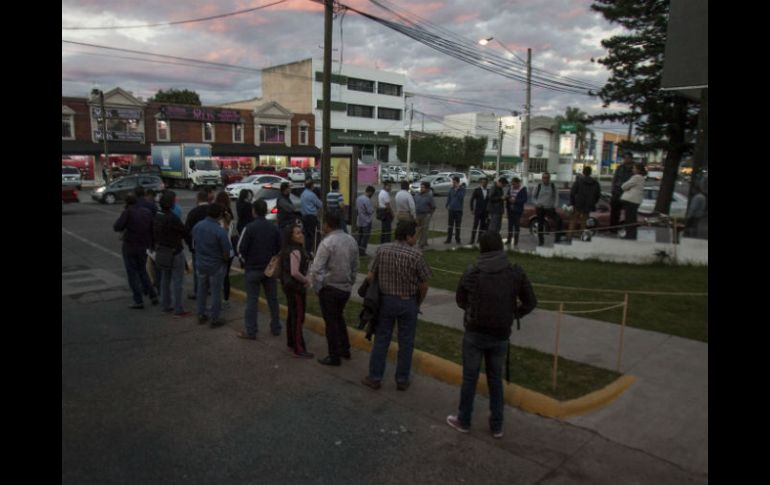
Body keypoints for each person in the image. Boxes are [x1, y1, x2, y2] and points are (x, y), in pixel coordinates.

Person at [446, 232, 537, 438]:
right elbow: (531, 301)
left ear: (482, 248)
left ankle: (464, 420)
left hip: (475, 332)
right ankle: (497, 425)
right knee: (495, 379)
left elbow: (460, 299)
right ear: (500, 248)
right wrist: (513, 314)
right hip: (500, 334)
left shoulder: (473, 272)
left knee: (470, 378)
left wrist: (474, 308)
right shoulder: (515, 272)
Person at [362, 220, 432, 391]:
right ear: (408, 236)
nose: (416, 237)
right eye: (415, 234)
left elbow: (370, 276)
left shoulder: (382, 249)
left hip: (386, 301)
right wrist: (418, 302)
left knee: (382, 339)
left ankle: (375, 377)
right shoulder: (416, 255)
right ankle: (402, 379)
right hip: (407, 301)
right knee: (406, 342)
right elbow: (424, 284)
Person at [309, 211, 359, 366]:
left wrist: (319, 286)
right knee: (338, 317)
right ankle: (345, 348)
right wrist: (350, 282)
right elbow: (355, 265)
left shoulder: (327, 243)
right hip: (344, 288)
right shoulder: (351, 240)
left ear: (328, 225)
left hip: (330, 288)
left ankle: (334, 355)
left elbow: (317, 269)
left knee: (331, 322)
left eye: (324, 223)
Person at [237, 199, 282, 338]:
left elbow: (240, 248)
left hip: (252, 269)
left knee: (252, 301)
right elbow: (279, 247)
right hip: (268, 269)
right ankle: (276, 327)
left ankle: (251, 331)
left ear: (254, 211)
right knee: (273, 300)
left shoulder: (249, 228)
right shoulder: (273, 227)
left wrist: (246, 262)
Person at [113, 193, 158, 309]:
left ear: (126, 203)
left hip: (130, 246)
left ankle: (138, 300)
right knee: (143, 271)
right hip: (144, 245)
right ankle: (152, 295)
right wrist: (152, 245)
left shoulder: (128, 212)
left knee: (132, 274)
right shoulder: (146, 212)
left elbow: (117, 226)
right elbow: (152, 229)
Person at [191, 203, 232, 327]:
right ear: (220, 215)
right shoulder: (219, 231)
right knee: (215, 292)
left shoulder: (197, 226)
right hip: (215, 265)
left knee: (202, 290)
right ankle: (215, 318)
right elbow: (226, 252)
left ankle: (201, 313)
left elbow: (194, 244)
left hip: (201, 263)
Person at [153, 190, 191, 317]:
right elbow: (185, 231)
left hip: (162, 250)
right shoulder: (172, 218)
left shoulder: (158, 215)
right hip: (174, 251)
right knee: (177, 281)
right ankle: (178, 308)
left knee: (165, 279)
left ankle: (166, 305)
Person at [279, 223, 313, 357]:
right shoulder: (296, 251)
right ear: (291, 236)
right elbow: (294, 272)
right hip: (296, 288)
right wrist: (306, 280)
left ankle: (291, 341)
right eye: (297, 233)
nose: (301, 235)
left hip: (289, 287)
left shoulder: (288, 249)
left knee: (292, 315)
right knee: (298, 317)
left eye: (301, 232)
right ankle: (299, 348)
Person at [184, 190, 213, 300]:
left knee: (198, 271)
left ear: (198, 199)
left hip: (197, 246)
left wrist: (190, 245)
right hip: (212, 246)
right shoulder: (212, 210)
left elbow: (187, 230)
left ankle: (198, 291)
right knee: (211, 269)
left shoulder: (193, 213)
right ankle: (209, 288)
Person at [568, 166, 601, 242]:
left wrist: (572, 203)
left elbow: (572, 193)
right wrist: (592, 203)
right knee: (584, 223)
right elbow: (598, 195)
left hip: (578, 204)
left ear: (583, 172)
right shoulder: (595, 183)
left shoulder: (579, 181)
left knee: (573, 221)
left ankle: (569, 238)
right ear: (590, 172)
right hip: (588, 206)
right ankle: (582, 237)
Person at [215, 191, 236, 306]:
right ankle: (226, 299)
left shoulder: (218, 224)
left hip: (220, 252)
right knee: (225, 275)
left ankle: (219, 299)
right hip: (230, 251)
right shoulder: (230, 222)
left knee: (218, 276)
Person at [532, 172, 563, 245]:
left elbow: (556, 197)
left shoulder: (553, 186)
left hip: (550, 208)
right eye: (544, 178)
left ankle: (557, 238)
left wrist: (555, 205)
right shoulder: (538, 186)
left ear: (549, 178)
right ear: (542, 178)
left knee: (559, 220)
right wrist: (537, 203)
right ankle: (541, 241)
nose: (546, 179)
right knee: (540, 224)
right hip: (540, 208)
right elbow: (533, 197)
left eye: (547, 178)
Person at [611, 152, 635, 233]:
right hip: (617, 192)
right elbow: (615, 179)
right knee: (614, 213)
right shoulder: (620, 168)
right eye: (624, 158)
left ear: (631, 159)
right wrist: (614, 190)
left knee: (629, 214)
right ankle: (613, 229)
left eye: (627, 158)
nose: (625, 160)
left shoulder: (634, 169)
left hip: (629, 193)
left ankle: (628, 230)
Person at [620, 163, 646, 240]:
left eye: (634, 168)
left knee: (629, 218)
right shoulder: (642, 178)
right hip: (636, 201)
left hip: (631, 200)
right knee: (632, 218)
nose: (632, 169)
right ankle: (632, 234)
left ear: (638, 170)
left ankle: (629, 235)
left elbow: (624, 186)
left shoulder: (636, 177)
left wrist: (626, 188)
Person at [300, 179, 323, 253]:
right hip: (311, 216)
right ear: (311, 186)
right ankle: (315, 250)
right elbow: (320, 204)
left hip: (304, 216)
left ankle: (307, 250)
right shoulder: (312, 195)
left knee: (307, 235)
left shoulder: (303, 194)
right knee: (315, 235)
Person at [505, 177, 527, 247]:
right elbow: (507, 196)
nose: (513, 186)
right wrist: (508, 198)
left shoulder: (523, 189)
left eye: (514, 184)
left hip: (517, 210)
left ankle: (516, 241)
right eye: (512, 184)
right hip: (510, 210)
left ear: (518, 183)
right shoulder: (510, 188)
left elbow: (524, 199)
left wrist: (516, 201)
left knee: (517, 226)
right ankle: (509, 240)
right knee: (510, 226)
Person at [414, 181, 436, 250]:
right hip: (417, 214)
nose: (421, 188)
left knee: (424, 230)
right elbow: (414, 203)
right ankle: (417, 241)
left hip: (425, 215)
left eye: (423, 187)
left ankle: (421, 244)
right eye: (421, 187)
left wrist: (430, 214)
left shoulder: (429, 196)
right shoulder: (417, 195)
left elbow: (433, 206)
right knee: (417, 229)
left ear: (427, 189)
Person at [445, 176, 466, 244]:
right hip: (451, 209)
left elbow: (461, 197)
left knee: (458, 225)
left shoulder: (462, 189)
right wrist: (447, 204)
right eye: (453, 182)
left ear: (458, 182)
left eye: (455, 182)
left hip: (458, 210)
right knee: (450, 225)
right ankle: (449, 239)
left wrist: (457, 189)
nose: (453, 183)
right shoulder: (451, 189)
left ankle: (457, 239)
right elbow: (449, 197)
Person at [469, 177, 490, 245]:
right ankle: (472, 240)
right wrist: (472, 209)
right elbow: (472, 199)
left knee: (482, 226)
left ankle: (479, 239)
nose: (484, 184)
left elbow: (489, 201)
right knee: (475, 225)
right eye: (483, 182)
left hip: (485, 212)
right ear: (481, 183)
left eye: (485, 182)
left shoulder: (488, 191)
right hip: (478, 211)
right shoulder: (477, 190)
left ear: (487, 183)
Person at [356, 186, 376, 256]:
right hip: (366, 221)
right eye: (372, 193)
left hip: (360, 221)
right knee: (365, 238)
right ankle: (362, 252)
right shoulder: (367, 200)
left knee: (359, 237)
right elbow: (370, 211)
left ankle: (358, 251)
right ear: (370, 192)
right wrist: (374, 208)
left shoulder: (359, 198)